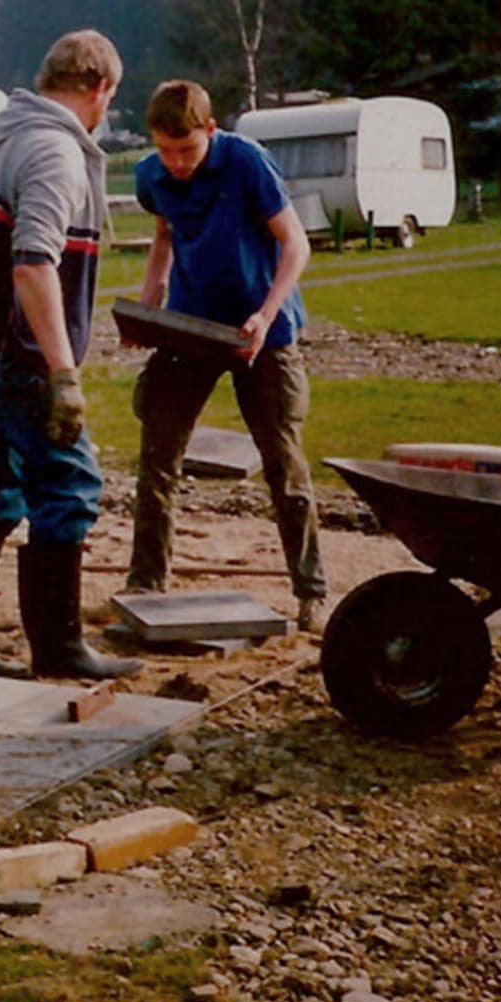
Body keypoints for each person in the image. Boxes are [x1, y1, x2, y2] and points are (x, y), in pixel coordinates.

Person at [0, 29, 141, 681]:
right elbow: (31, 266)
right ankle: (57, 648)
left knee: (2, 482)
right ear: (99, 88)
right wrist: (61, 373)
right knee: (69, 483)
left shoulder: (1, 133)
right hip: (9, 345)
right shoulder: (53, 151)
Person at [123, 79, 324, 629]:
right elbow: (165, 236)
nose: (177, 163)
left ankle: (312, 592)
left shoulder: (248, 163)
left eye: (186, 150)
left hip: (262, 331)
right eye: (165, 150)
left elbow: (295, 243)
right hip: (191, 326)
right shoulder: (152, 176)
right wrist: (148, 304)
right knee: (157, 453)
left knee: (283, 461)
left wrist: (266, 311)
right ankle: (145, 581)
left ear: (211, 131)